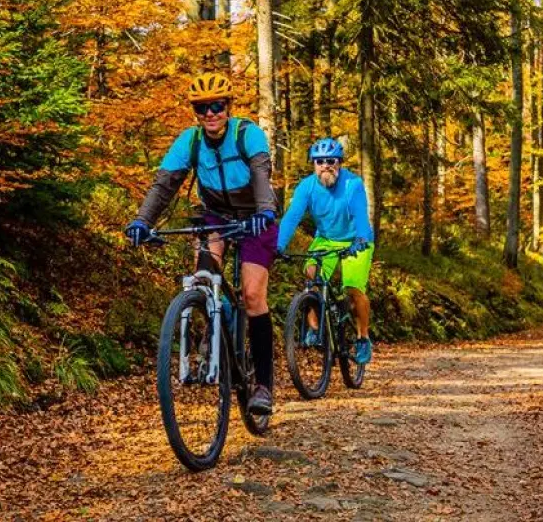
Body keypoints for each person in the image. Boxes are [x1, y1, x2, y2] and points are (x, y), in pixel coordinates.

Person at [124, 73, 278, 414]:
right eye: (201, 108)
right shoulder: (190, 140)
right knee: (203, 278)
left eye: (217, 106)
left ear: (228, 106)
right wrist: (142, 221)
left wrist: (265, 211)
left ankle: (264, 385)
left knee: (253, 295)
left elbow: (261, 176)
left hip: (255, 217)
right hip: (215, 216)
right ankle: (215, 325)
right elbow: (164, 184)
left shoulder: (247, 134)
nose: (210, 113)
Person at [276, 137, 375, 365]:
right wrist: (278, 246)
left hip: (356, 240)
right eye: (319, 162)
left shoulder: (352, 185)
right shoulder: (306, 187)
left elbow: (361, 216)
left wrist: (360, 239)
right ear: (313, 164)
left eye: (331, 161)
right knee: (312, 275)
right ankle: (314, 328)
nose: (325, 166)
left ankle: (363, 338)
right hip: (326, 240)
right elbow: (292, 217)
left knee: (353, 288)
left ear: (339, 163)